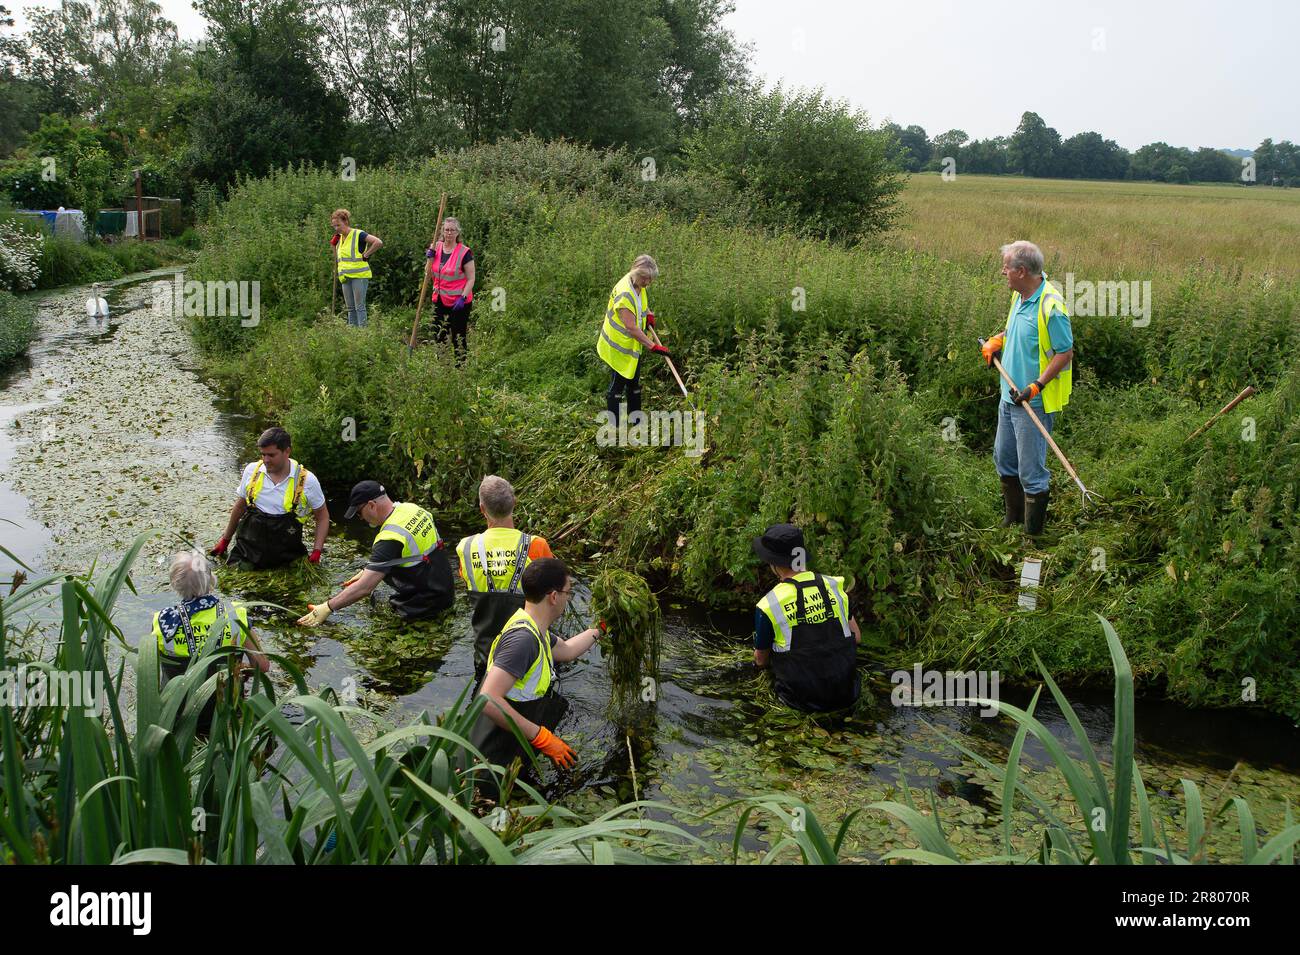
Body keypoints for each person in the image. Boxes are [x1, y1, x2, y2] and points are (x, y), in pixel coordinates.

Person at [469, 558, 604, 799]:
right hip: (490, 761)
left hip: (507, 754)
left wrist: (602, 629)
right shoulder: (523, 640)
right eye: (567, 592)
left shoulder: (533, 627)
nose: (568, 598)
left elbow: (568, 650)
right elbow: (487, 698)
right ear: (554, 596)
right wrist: (541, 737)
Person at [980, 240, 1075, 536]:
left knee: (1031, 472)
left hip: (1031, 403)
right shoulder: (1020, 297)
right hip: (1009, 397)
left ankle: (1033, 537)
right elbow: (1016, 331)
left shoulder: (1052, 306)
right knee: (1004, 460)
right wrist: (998, 341)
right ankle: (1013, 519)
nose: (1002, 272)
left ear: (1021, 271)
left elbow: (1064, 352)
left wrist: (1036, 386)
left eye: (1006, 268)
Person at [296, 481, 454, 625]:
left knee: (377, 605)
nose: (361, 519)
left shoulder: (389, 538)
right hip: (445, 592)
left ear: (371, 505)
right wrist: (367, 570)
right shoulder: (412, 509)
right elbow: (416, 551)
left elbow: (364, 588)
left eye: (359, 513)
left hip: (422, 607)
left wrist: (327, 607)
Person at [151, 550, 270, 735]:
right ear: (211, 580)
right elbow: (262, 666)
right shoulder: (235, 615)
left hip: (176, 716)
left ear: (175, 584)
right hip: (223, 714)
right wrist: (239, 667)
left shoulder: (161, 622)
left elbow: (150, 675)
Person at [752, 523, 862, 713]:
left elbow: (761, 660)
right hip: (848, 694)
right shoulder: (834, 585)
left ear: (774, 563)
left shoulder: (769, 604)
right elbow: (857, 638)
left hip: (800, 702)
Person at [455, 475, 554, 681]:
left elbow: (466, 579)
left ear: (482, 509)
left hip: (486, 658)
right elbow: (555, 594)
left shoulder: (465, 547)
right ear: (514, 503)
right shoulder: (536, 545)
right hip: (529, 658)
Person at [213, 427, 328, 570]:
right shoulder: (252, 471)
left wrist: (317, 551)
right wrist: (225, 540)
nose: (265, 460)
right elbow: (240, 506)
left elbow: (322, 516)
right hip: (248, 552)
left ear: (287, 451)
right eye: (263, 454)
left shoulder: (307, 481)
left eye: (271, 455)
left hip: (286, 558)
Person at [596, 254, 671, 426]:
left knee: (634, 384)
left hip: (631, 347)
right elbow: (631, 327)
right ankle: (614, 427)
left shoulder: (638, 284)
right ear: (636, 272)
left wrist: (648, 315)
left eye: (650, 279)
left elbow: (640, 304)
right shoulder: (624, 294)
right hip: (618, 347)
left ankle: (636, 421)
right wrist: (653, 346)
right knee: (617, 387)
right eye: (645, 278)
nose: (647, 283)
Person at [425, 217, 476, 360]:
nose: (449, 233)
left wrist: (463, 297)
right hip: (439, 299)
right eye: (446, 230)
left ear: (457, 232)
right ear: (442, 231)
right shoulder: (436, 246)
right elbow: (428, 274)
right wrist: (429, 258)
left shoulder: (464, 252)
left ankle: (461, 369)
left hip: (458, 303)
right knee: (439, 334)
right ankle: (442, 368)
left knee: (458, 337)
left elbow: (471, 278)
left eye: (452, 230)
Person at [331, 208, 382, 328]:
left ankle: (363, 334)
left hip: (359, 276)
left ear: (346, 222)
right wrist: (333, 245)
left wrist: (366, 254)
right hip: (345, 276)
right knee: (350, 308)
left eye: (338, 225)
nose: (336, 228)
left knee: (359, 306)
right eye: (334, 226)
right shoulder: (338, 238)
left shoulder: (358, 234)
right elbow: (338, 258)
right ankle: (352, 334)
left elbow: (378, 242)